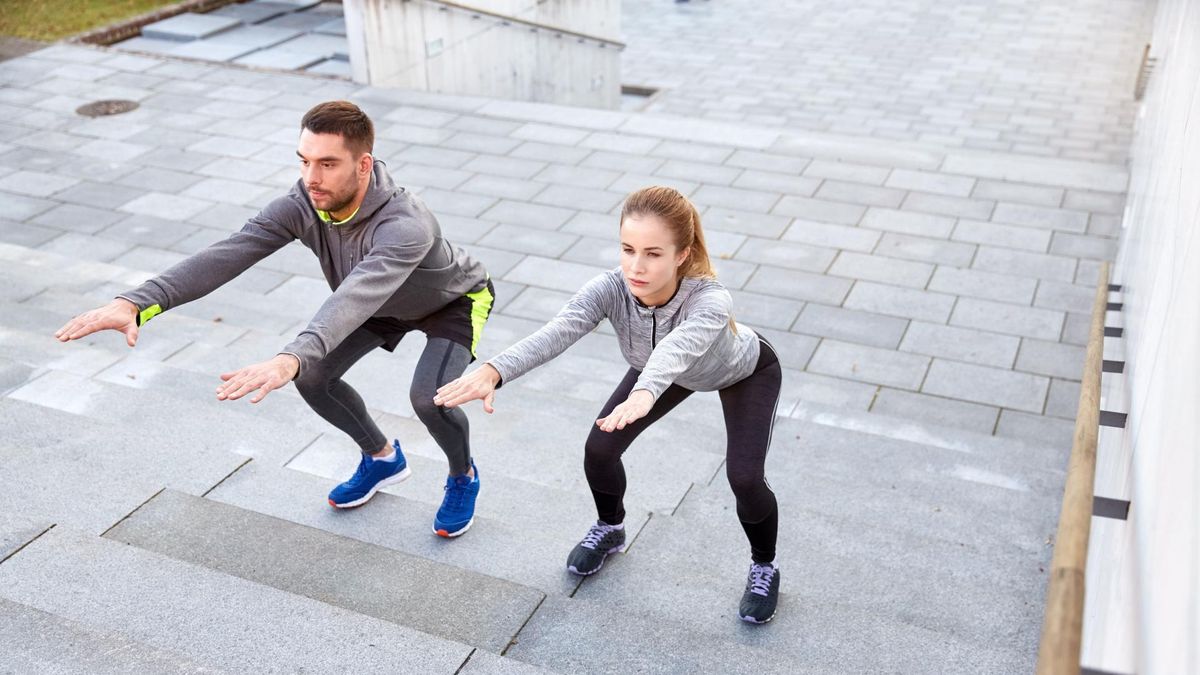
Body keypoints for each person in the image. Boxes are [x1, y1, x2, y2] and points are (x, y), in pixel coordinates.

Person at [54, 100, 494, 538]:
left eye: (327, 164)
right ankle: (382, 458)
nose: (311, 178)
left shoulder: (406, 224)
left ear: (363, 165)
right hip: (378, 302)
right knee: (314, 376)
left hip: (449, 301)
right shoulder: (303, 202)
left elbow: (356, 296)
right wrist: (137, 302)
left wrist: (289, 356)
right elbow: (231, 253)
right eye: (303, 161)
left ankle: (462, 475)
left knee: (430, 399)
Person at [433, 186, 783, 623]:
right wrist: (494, 371)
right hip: (656, 374)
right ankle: (611, 527)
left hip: (741, 371)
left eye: (653, 253)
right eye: (628, 249)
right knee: (599, 451)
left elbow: (675, 350)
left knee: (745, 479)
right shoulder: (610, 289)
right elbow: (559, 330)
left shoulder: (710, 299)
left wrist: (643, 392)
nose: (637, 266)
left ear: (681, 254)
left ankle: (764, 566)